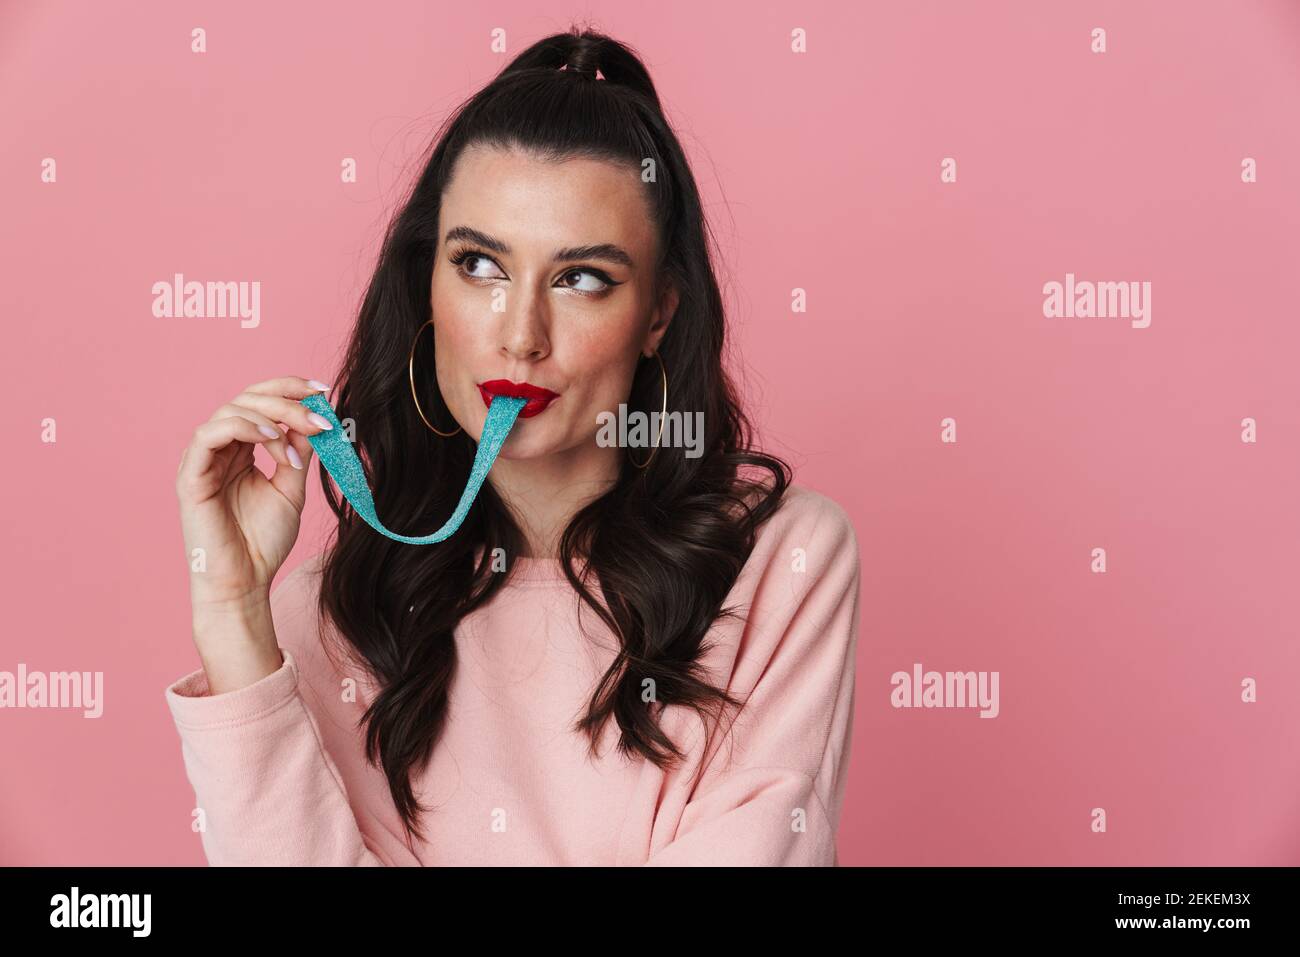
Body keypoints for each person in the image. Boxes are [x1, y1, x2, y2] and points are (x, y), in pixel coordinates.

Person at [168, 26, 860, 866]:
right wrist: (237, 616)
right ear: (426, 282)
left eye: (582, 278)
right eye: (480, 266)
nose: (521, 336)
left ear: (658, 317)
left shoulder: (781, 561)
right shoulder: (325, 618)